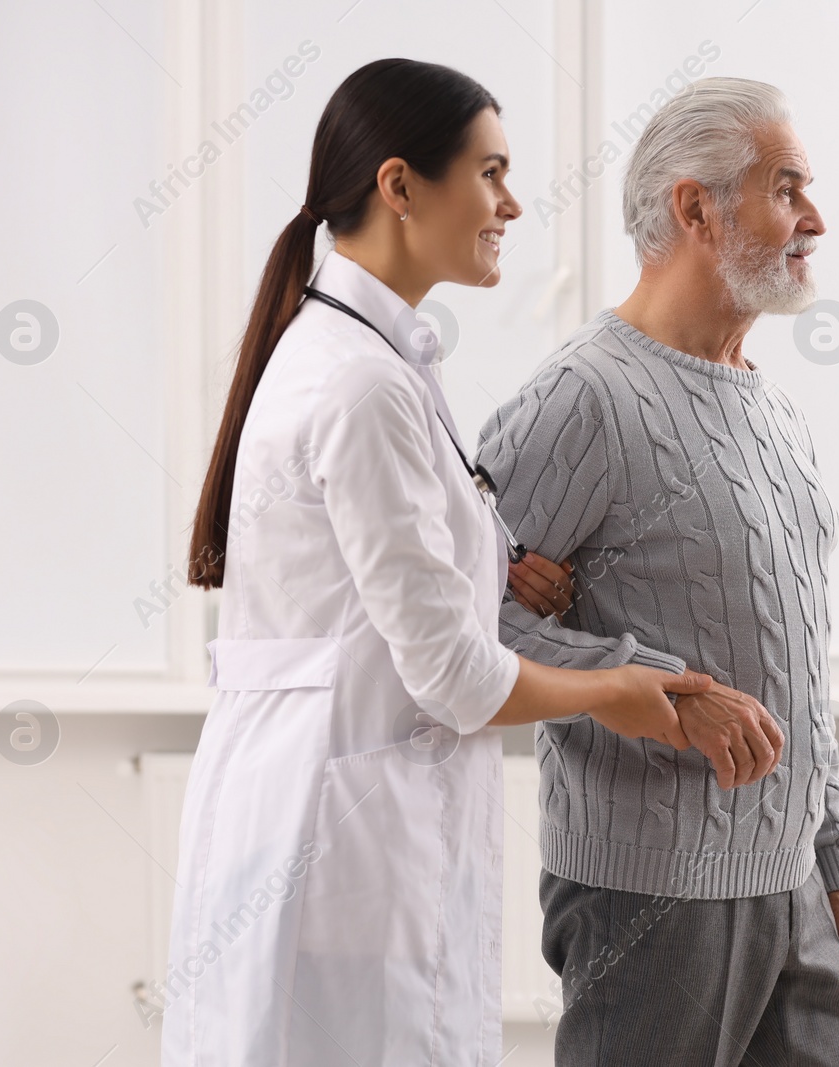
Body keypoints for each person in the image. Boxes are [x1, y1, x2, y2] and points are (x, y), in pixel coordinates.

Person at [160, 58, 714, 1067]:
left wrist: (490, 562)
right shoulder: (359, 382)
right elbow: (454, 678)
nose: (510, 203)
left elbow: (375, 570)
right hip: (332, 842)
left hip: (340, 826)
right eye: (490, 172)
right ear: (401, 185)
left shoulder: (374, 357)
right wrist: (610, 688)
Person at [476, 77, 839, 1066]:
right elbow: (455, 622)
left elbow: (799, 662)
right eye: (785, 189)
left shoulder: (773, 411)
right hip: (649, 897)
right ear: (694, 206)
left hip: (794, 892)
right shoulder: (583, 397)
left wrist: (835, 863)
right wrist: (658, 686)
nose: (814, 219)